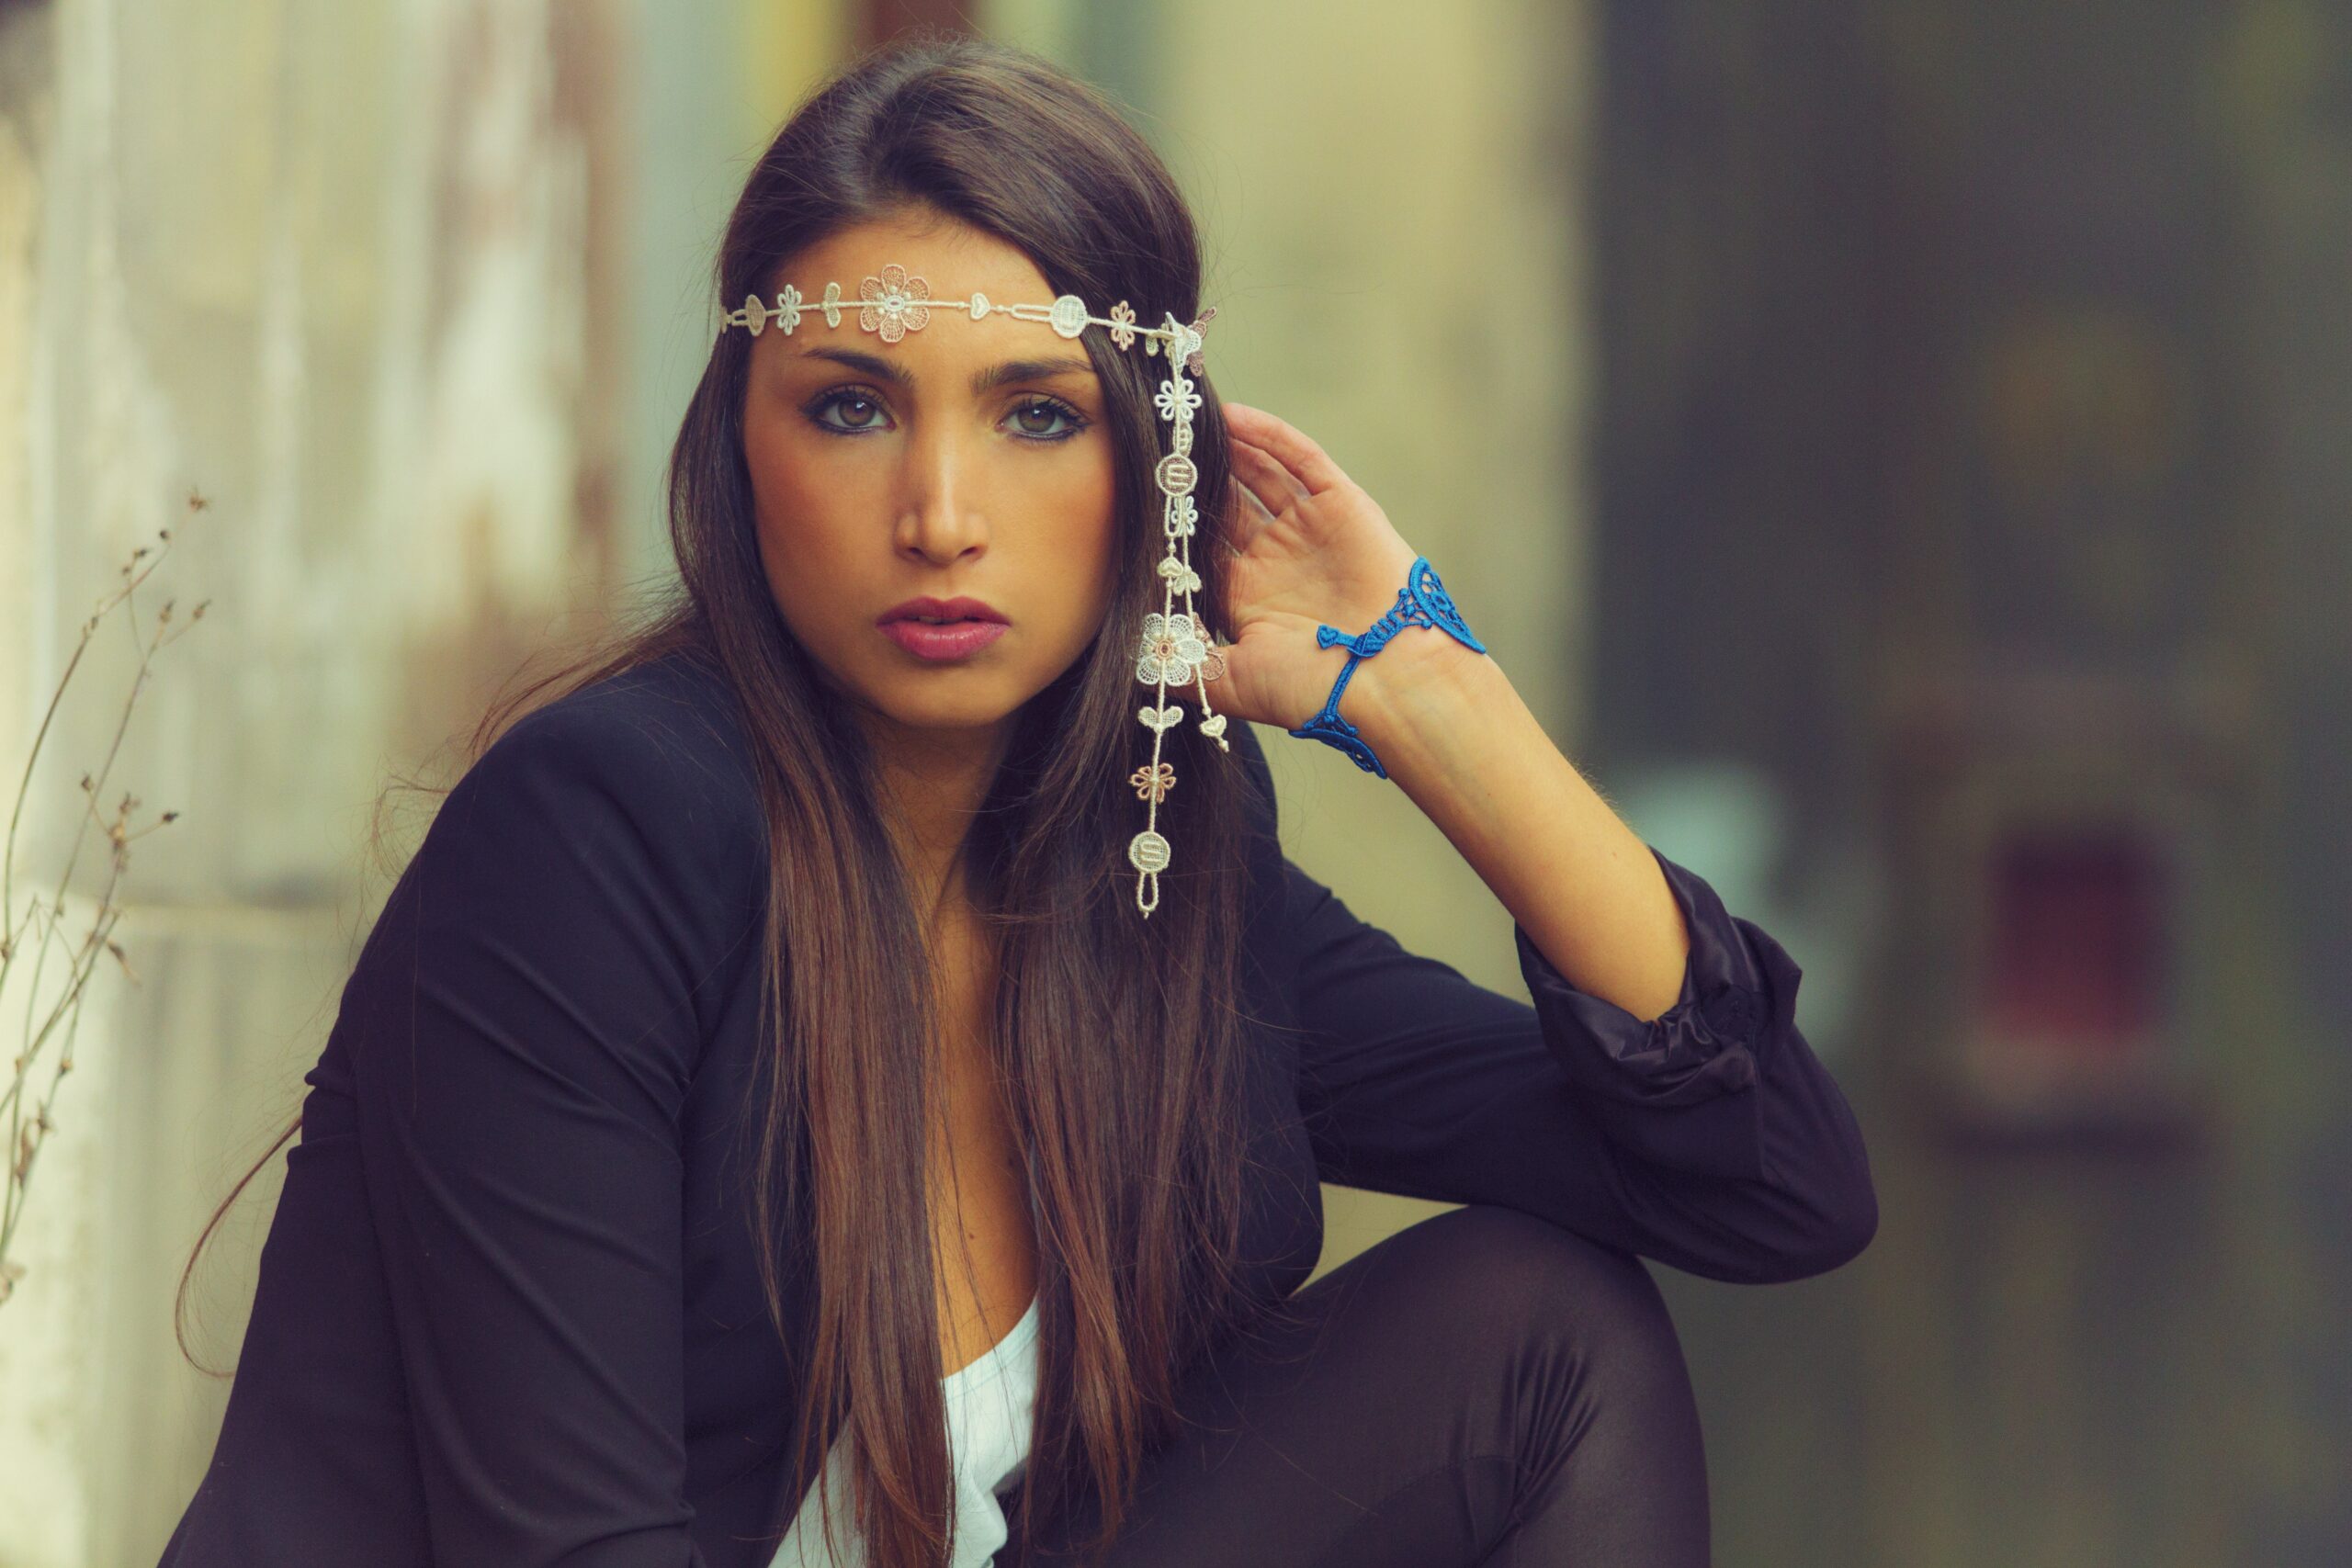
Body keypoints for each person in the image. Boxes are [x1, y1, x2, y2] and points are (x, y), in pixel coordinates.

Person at [154, 32, 1876, 1568]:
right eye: (851, 408)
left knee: (1550, 1336)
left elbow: (1771, 1186)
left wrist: (1430, 699)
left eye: (1038, 417)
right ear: (738, 443)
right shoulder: (602, 832)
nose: (942, 514)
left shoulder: (1160, 864)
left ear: (1150, 459)